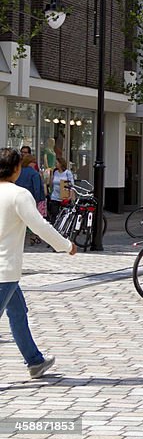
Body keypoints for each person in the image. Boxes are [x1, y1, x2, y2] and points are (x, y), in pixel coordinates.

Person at [0, 148, 78, 378]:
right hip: (4, 269)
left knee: (18, 311)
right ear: (17, 169)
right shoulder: (18, 194)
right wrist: (66, 245)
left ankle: (34, 361)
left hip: (7, 272)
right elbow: (40, 227)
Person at [47, 157, 74, 222]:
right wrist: (50, 175)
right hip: (55, 196)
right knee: (54, 214)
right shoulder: (55, 172)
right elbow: (51, 184)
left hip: (64, 196)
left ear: (61, 164)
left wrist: (70, 196)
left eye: (57, 163)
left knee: (64, 215)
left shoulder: (67, 173)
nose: (55, 164)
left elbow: (71, 185)